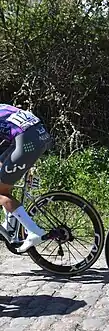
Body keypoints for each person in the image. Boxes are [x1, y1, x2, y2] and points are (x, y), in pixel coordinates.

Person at [0, 104, 52, 252]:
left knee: (1, 191)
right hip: (39, 134)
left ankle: (34, 231)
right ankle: (10, 225)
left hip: (27, 142)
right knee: (3, 176)